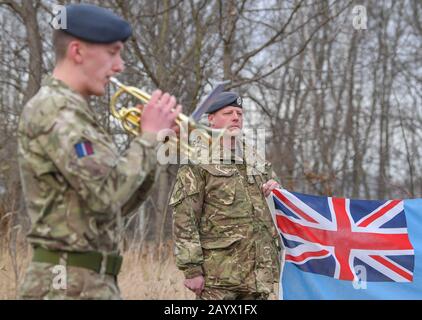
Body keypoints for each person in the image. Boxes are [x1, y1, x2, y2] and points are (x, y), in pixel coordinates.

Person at [17, 4, 181, 300]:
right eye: (112, 52)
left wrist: (159, 143)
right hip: (63, 285)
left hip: (86, 283)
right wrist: (147, 139)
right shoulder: (56, 111)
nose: (119, 66)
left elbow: (117, 206)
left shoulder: (76, 113)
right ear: (78, 52)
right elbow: (107, 197)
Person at [169, 92, 281, 300]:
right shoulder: (198, 159)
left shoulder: (254, 157)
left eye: (239, 113)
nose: (236, 117)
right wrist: (192, 269)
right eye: (228, 113)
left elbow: (276, 203)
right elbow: (184, 216)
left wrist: (276, 190)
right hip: (219, 277)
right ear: (211, 118)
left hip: (258, 276)